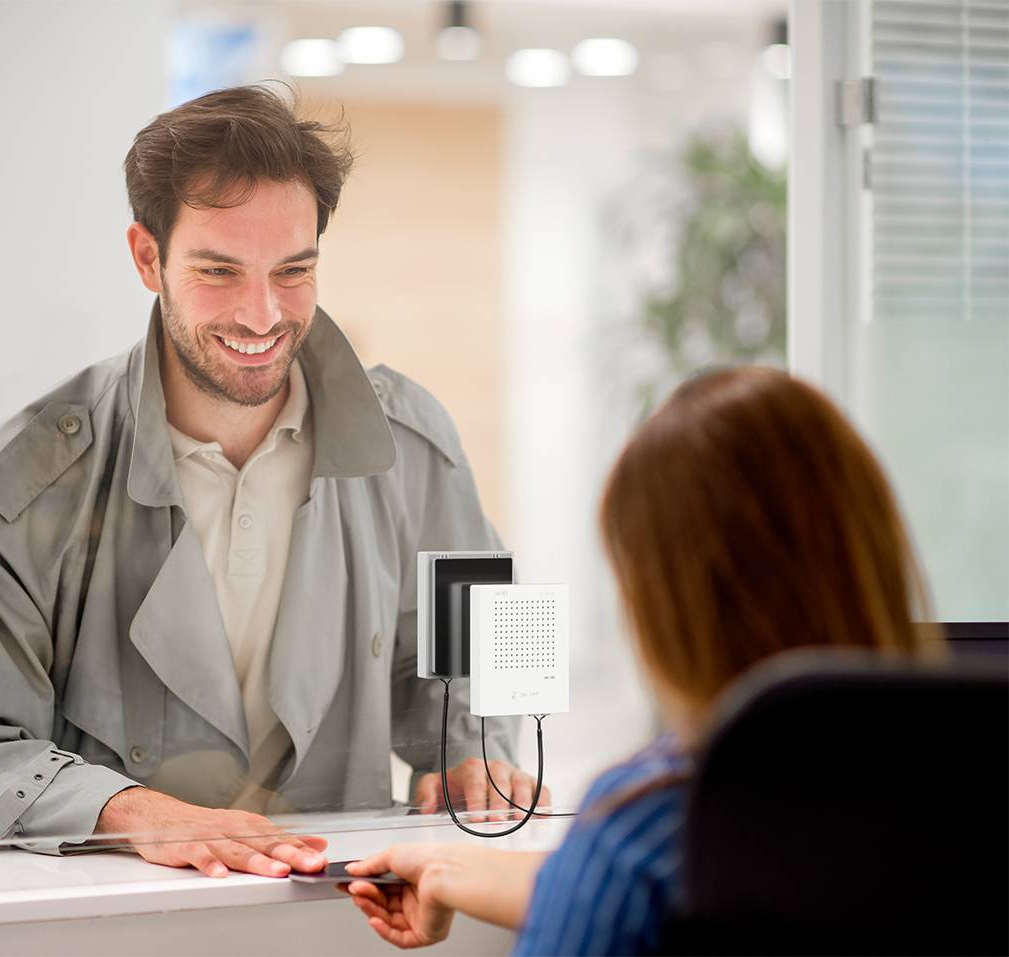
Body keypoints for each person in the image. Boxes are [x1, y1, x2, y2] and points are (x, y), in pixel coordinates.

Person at [0, 85, 544, 880]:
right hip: (110, 923)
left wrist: (477, 754)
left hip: (343, 917)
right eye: (219, 271)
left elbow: (490, 657)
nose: (262, 315)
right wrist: (129, 812)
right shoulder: (11, 483)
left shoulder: (415, 441)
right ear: (147, 257)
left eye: (293, 269)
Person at [343, 365, 935, 954]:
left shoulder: (641, 830)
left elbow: (628, 883)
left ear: (665, 609)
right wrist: (452, 872)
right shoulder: (958, 792)